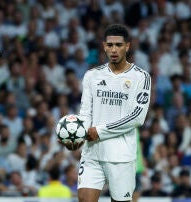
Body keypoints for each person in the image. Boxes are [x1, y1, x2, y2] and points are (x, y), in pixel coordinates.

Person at [62, 24, 151, 202]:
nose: (114, 49)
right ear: (104, 46)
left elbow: (137, 117)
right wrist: (76, 136)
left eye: (118, 45)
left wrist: (99, 131)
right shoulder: (91, 76)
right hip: (92, 154)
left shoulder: (141, 77)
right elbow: (86, 113)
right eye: (110, 45)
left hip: (121, 157)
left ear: (127, 46)